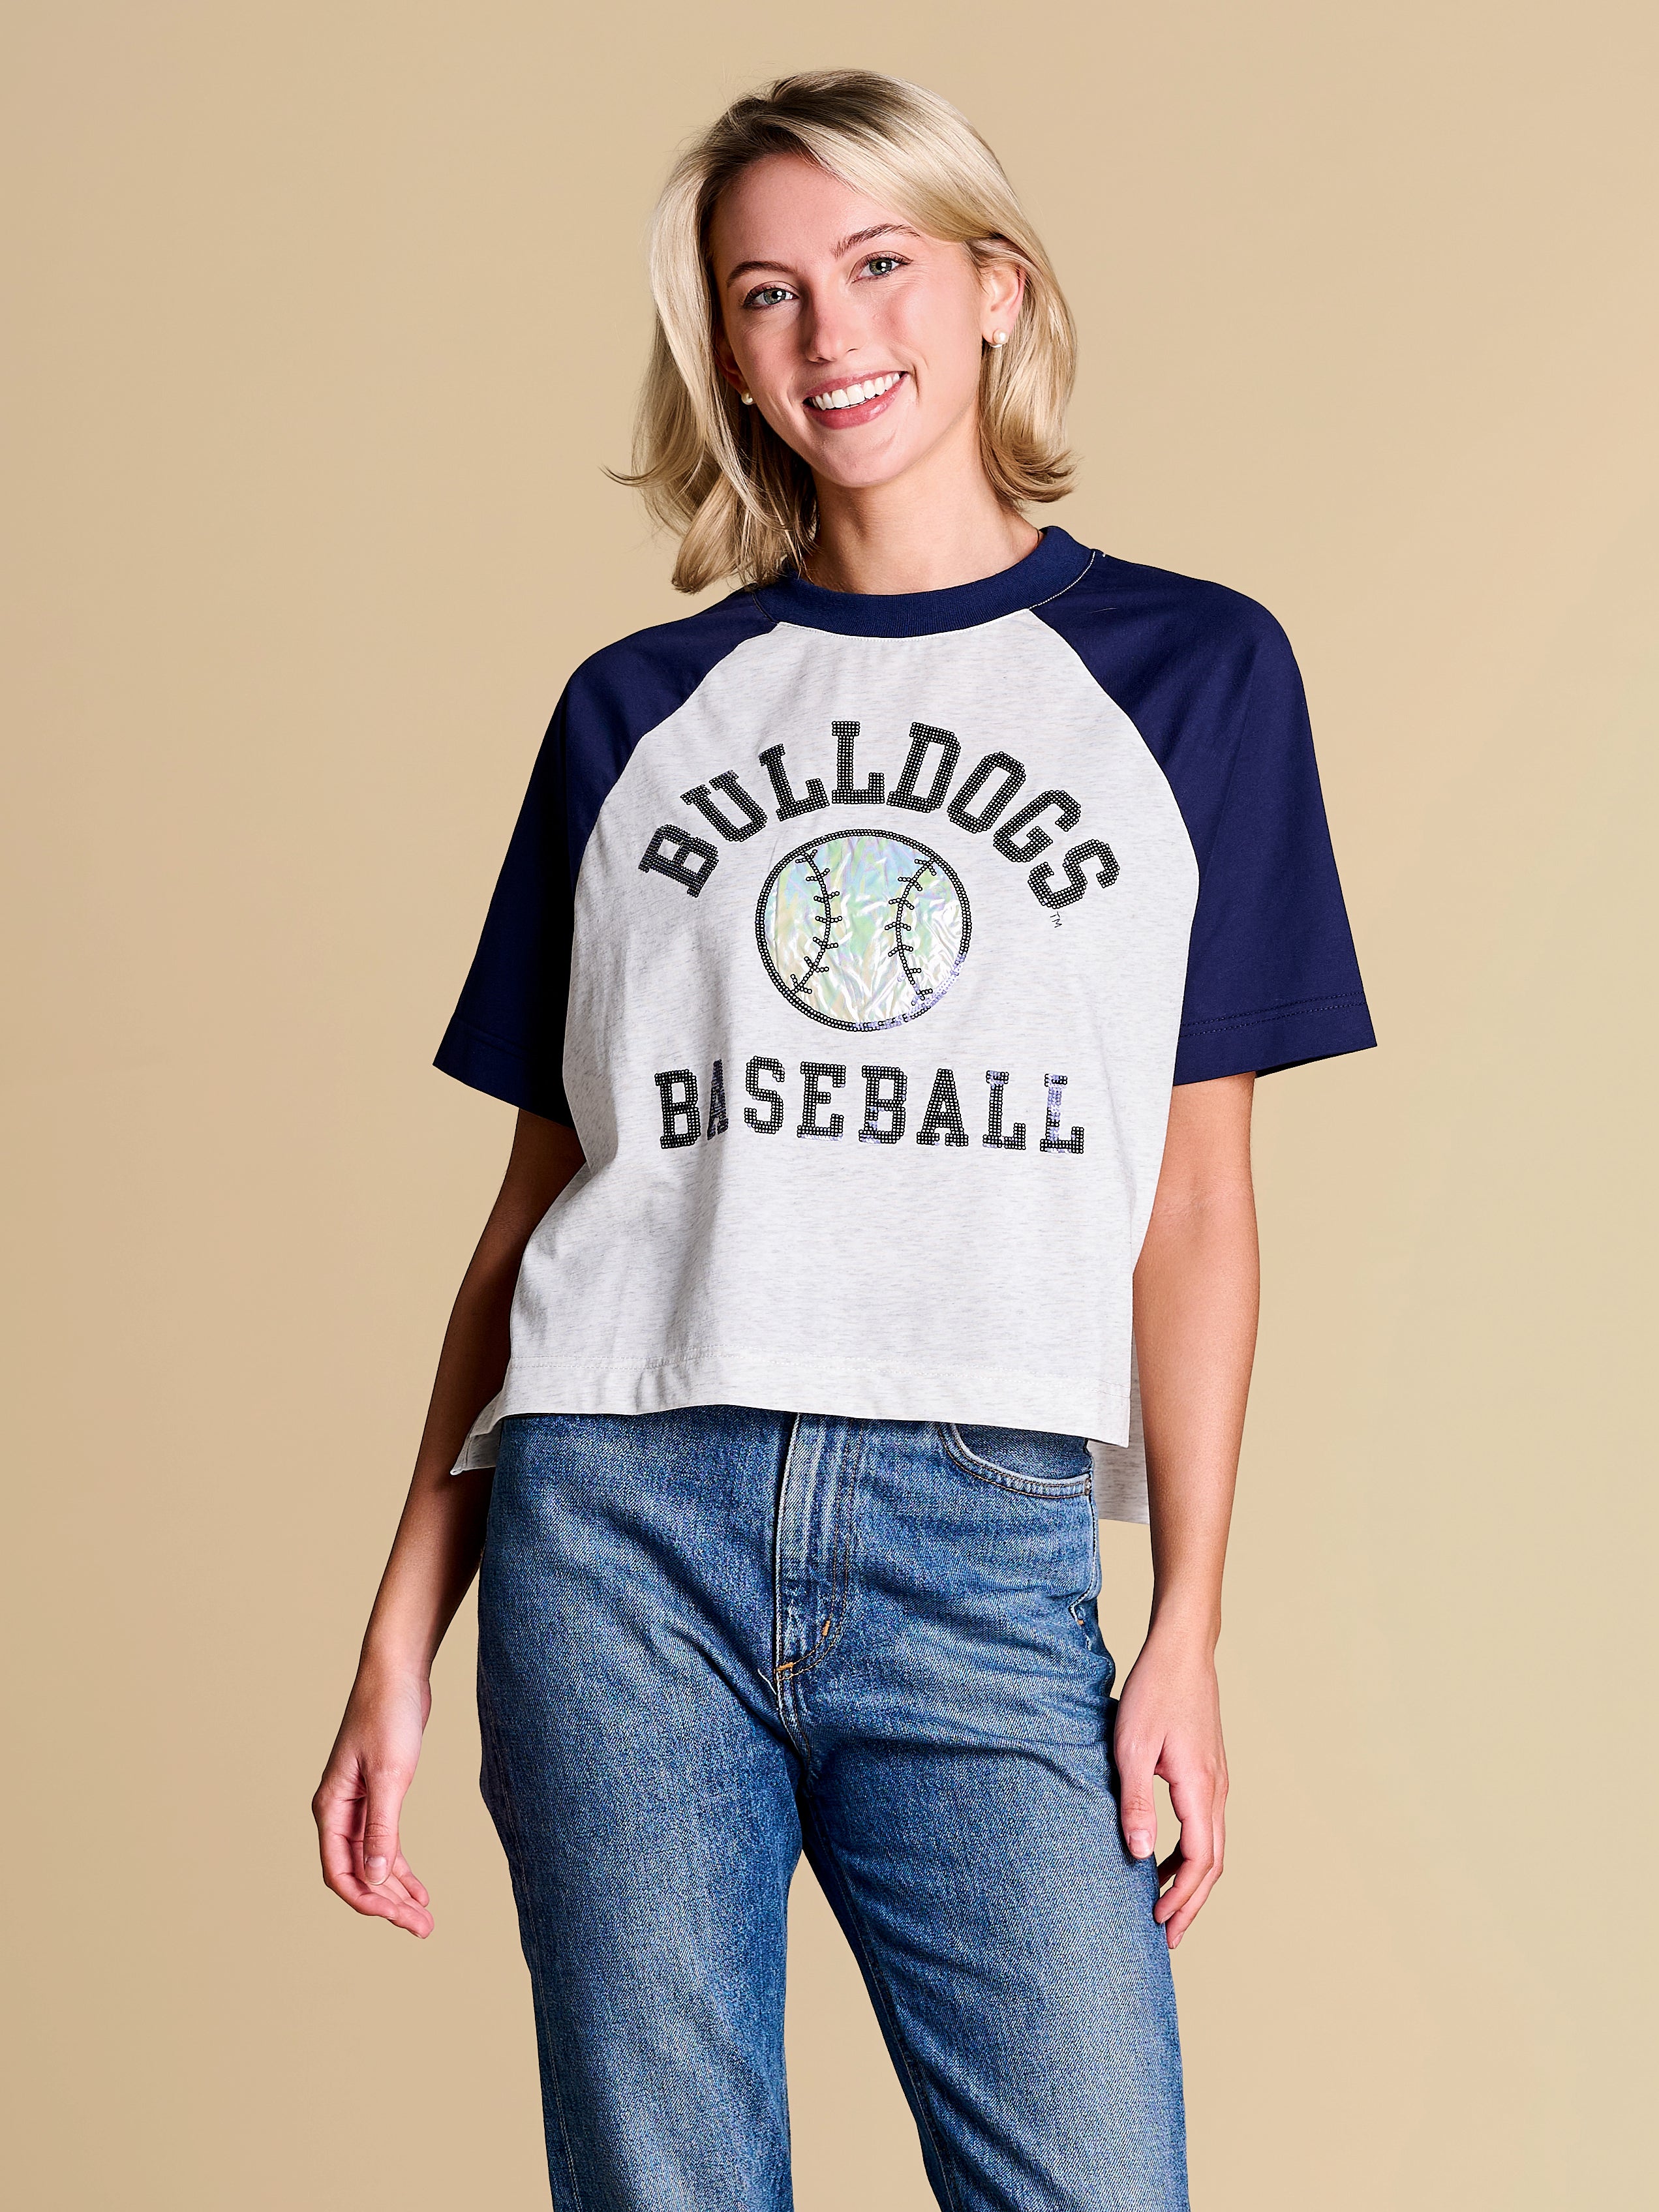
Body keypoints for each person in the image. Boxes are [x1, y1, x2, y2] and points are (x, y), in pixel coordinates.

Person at [312, 69, 1374, 2212]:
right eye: (765, 293)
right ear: (724, 353)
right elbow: (534, 1218)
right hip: (615, 1533)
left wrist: (1188, 1620)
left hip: (980, 1538)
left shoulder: (1195, 677)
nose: (828, 332)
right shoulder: (630, 714)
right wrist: (395, 1637)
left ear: (995, 289)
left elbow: (1197, 1202)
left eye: (879, 264)